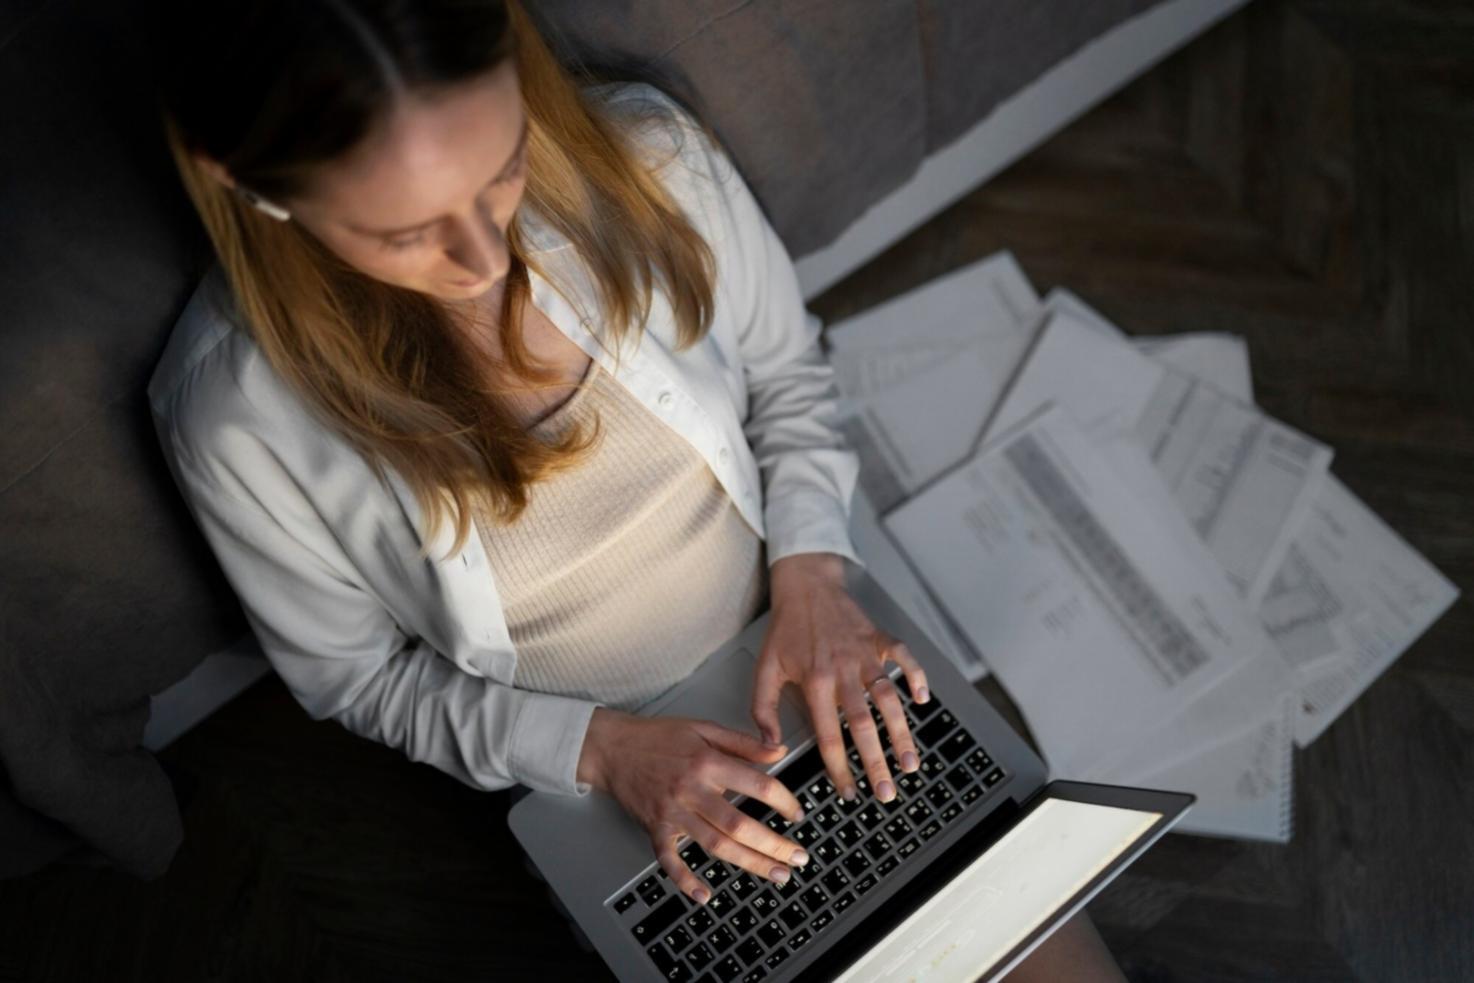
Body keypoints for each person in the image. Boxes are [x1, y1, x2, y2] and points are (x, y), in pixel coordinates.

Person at [149, 0, 1125, 978]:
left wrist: (814, 574)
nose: (487, 259)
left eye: (502, 168)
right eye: (406, 232)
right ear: (249, 184)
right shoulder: (233, 416)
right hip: (606, 774)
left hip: (806, 637)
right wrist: (604, 750)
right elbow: (356, 677)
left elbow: (787, 376)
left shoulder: (654, 160)